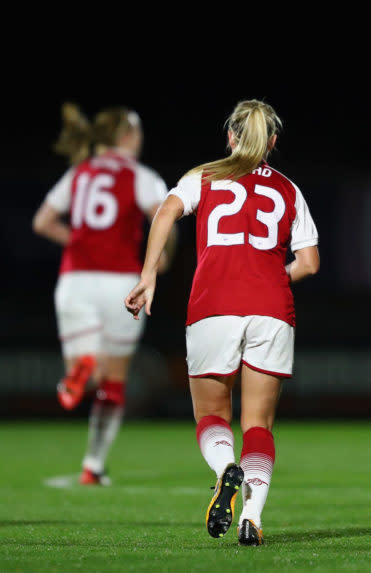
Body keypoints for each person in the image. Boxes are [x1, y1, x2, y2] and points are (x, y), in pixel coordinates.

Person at [125, 100, 319, 547]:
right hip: (272, 310)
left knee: (212, 415)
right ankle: (252, 515)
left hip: (214, 305)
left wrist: (148, 274)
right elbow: (309, 262)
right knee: (258, 425)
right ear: (272, 142)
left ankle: (223, 469)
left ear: (230, 137)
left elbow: (166, 212)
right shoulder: (289, 189)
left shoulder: (205, 177)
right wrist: (270, 277)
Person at [32, 103, 173, 486]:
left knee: (89, 368)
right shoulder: (142, 177)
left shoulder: (79, 172)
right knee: (113, 383)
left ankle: (80, 372)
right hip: (121, 283)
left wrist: (79, 243)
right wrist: (160, 259)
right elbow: (164, 219)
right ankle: (92, 466)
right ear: (127, 136)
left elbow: (42, 221)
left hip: (76, 280)